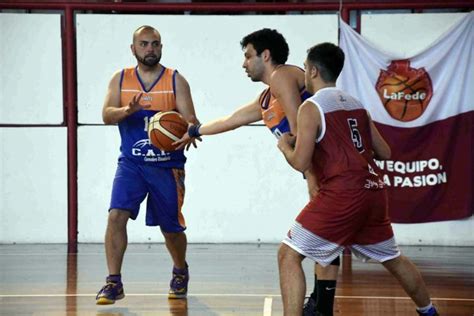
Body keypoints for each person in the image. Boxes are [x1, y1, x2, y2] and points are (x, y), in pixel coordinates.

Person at [175, 28, 339, 316]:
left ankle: (321, 306)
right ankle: (320, 304)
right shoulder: (266, 97)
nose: (244, 64)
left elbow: (300, 131)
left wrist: (309, 176)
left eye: (248, 56)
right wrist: (195, 129)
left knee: (317, 241)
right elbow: (233, 119)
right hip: (317, 168)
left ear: (266, 55)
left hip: (328, 168)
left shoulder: (284, 76)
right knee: (330, 240)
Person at [276, 42, 439, 316]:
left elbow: (301, 162)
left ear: (313, 70)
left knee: (288, 255)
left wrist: (285, 147)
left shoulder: (311, 107)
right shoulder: (356, 104)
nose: (304, 73)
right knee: (393, 258)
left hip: (343, 192)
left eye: (305, 68)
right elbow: (385, 152)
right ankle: (429, 311)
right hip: (373, 191)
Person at [96, 25, 199, 305]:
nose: (150, 49)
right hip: (131, 164)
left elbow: (191, 119)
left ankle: (180, 270)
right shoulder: (120, 80)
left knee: (171, 230)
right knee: (116, 215)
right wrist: (127, 110)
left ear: (161, 47)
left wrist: (191, 129)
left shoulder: (176, 81)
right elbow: (106, 114)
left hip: (167, 166)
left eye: (155, 44)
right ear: (133, 49)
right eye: (143, 44)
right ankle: (113, 282)